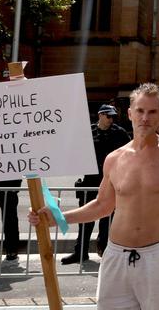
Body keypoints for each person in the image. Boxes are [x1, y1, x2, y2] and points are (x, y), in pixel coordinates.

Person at [30, 84, 159, 309]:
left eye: (152, 112)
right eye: (140, 110)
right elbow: (102, 205)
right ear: (130, 113)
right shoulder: (115, 158)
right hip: (115, 256)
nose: (145, 117)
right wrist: (58, 218)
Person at [61, 104, 131, 265]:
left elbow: (130, 153)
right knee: (85, 218)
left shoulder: (119, 133)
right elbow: (74, 151)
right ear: (100, 115)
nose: (111, 119)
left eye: (113, 116)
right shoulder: (87, 132)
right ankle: (80, 252)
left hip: (111, 182)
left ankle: (105, 251)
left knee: (107, 221)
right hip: (91, 181)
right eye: (108, 116)